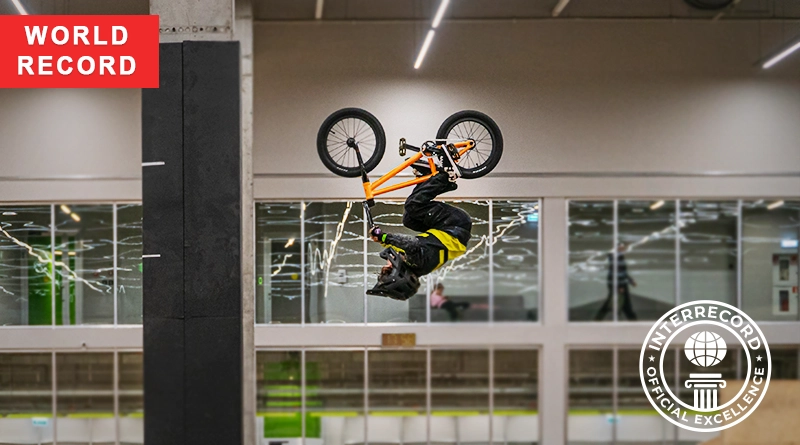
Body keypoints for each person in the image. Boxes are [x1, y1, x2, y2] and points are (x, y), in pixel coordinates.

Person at [365, 171, 471, 301]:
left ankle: (425, 176)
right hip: (454, 224)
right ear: (399, 273)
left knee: (409, 219)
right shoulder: (416, 262)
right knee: (413, 206)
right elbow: (411, 244)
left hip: (447, 229)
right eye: (388, 269)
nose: (387, 263)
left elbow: (404, 249)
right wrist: (383, 237)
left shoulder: (416, 266)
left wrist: (382, 241)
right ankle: (445, 175)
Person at [594, 242, 638, 320]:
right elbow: (617, 271)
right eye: (622, 247)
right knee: (615, 303)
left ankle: (598, 319)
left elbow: (622, 272)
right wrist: (620, 286)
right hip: (618, 284)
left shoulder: (618, 256)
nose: (624, 249)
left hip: (619, 283)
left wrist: (630, 280)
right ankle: (598, 319)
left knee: (620, 303)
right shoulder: (615, 257)